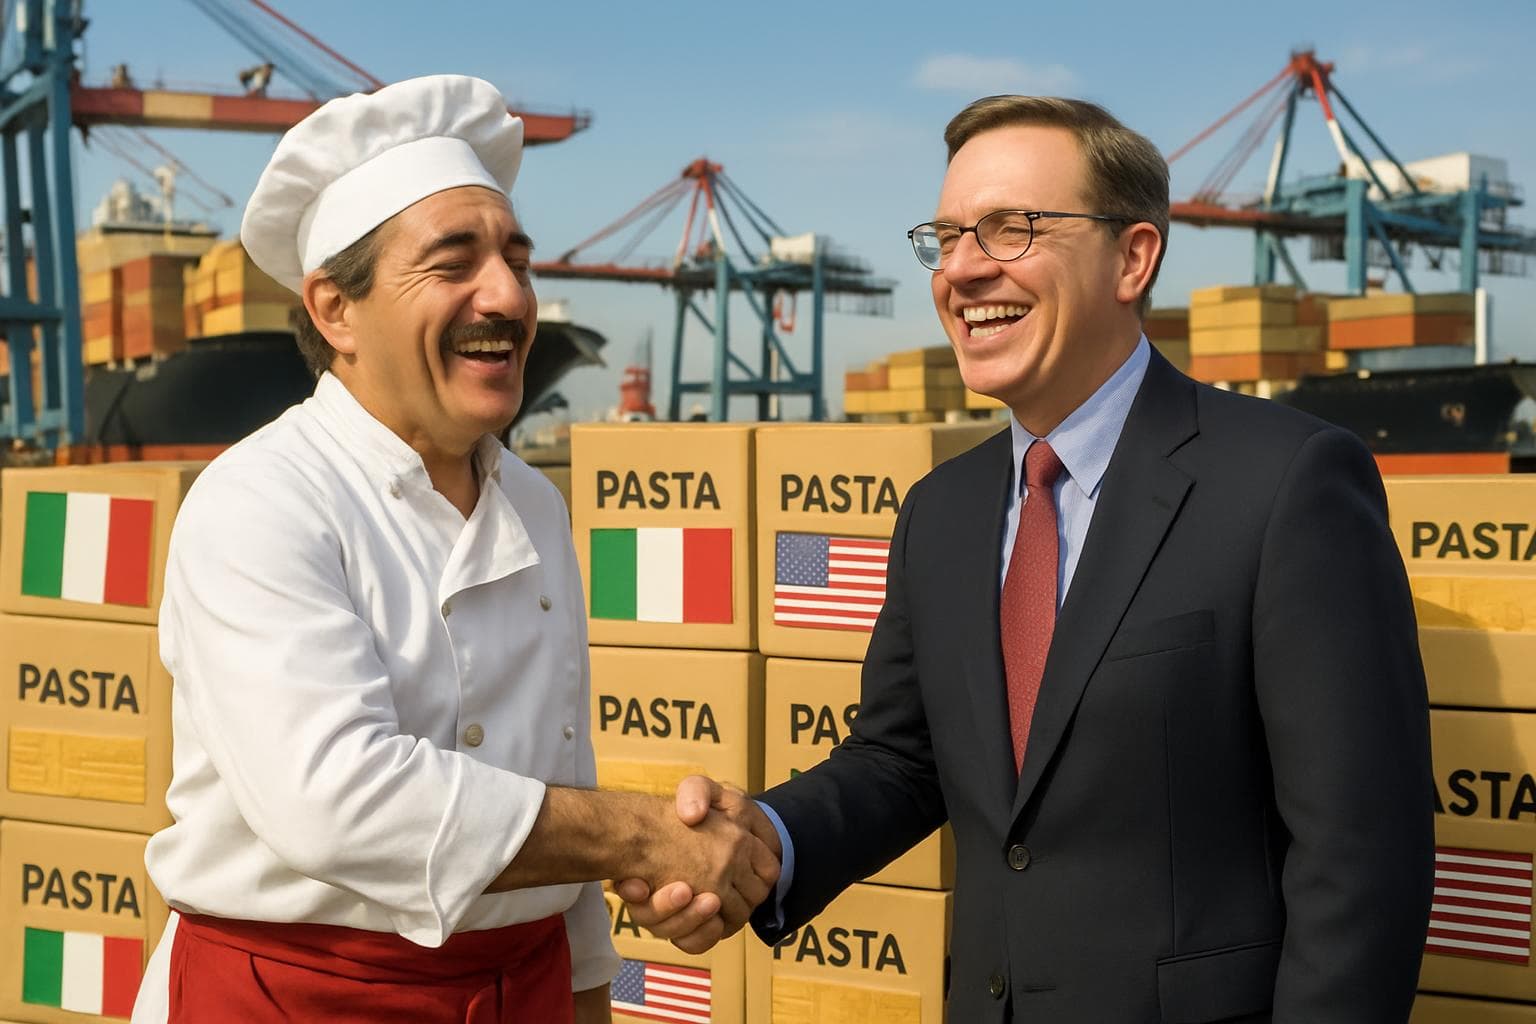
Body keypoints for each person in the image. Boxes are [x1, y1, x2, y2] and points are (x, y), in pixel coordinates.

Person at [620, 95, 1434, 1022]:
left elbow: (1361, 859)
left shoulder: (1286, 484)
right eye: (948, 236)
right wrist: (761, 839)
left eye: (1011, 230)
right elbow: (901, 760)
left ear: (1133, 257)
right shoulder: (942, 511)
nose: (963, 269)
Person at [132, 75, 777, 1024]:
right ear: (334, 310)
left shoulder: (534, 503)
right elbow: (337, 799)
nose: (511, 296)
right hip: (294, 997)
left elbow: (562, 763)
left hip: (520, 989)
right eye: (454, 262)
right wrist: (643, 839)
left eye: (517, 258)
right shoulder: (259, 501)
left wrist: (589, 988)